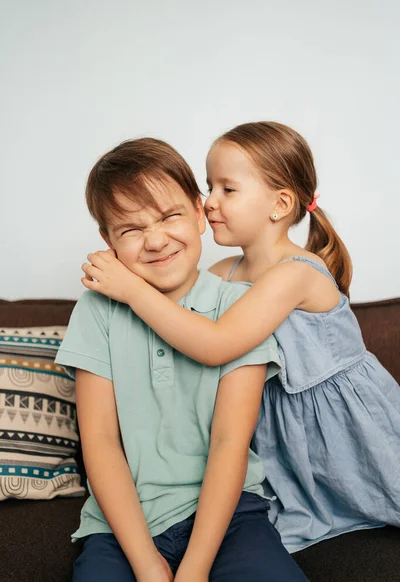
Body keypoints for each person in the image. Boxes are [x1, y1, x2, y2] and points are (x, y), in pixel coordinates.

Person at [83, 122, 400, 555]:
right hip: (284, 432)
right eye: (209, 186)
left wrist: (130, 288)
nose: (208, 201)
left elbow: (215, 344)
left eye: (227, 189)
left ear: (280, 203)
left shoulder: (295, 273)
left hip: (342, 423)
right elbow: (171, 306)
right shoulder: (225, 273)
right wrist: (121, 258)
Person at [57, 136, 320, 582]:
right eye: (131, 229)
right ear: (108, 241)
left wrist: (193, 573)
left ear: (200, 213)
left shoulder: (237, 305)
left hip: (231, 518)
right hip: (121, 526)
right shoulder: (97, 310)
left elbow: (228, 442)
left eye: (169, 216)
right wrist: (147, 566)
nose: (156, 240)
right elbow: (99, 440)